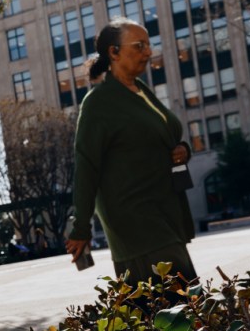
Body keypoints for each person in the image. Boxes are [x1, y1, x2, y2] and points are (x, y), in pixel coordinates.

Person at [66, 18, 198, 285]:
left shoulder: (141, 91)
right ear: (114, 52)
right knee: (182, 308)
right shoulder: (98, 103)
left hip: (164, 213)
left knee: (177, 310)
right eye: (139, 46)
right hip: (135, 221)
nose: (148, 52)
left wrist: (183, 149)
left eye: (149, 45)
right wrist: (81, 227)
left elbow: (166, 133)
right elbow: (86, 166)